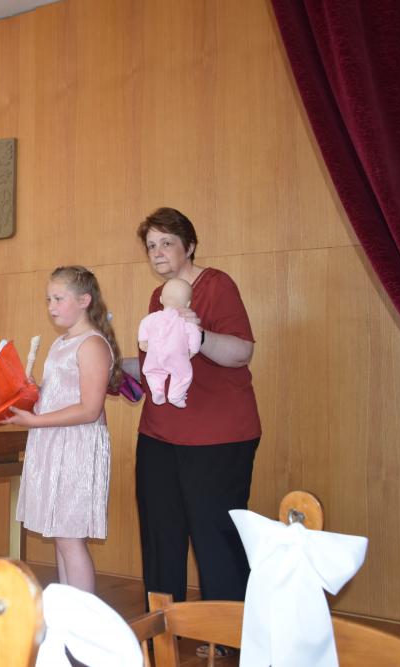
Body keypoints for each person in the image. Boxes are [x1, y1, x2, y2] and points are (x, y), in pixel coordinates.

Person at [122, 207, 261, 659]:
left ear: (190, 246)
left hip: (219, 436)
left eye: (167, 242)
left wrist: (197, 335)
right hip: (160, 434)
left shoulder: (216, 286)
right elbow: (155, 364)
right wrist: (109, 366)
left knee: (215, 536)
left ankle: (229, 637)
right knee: (160, 534)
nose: (158, 252)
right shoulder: (158, 297)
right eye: (151, 246)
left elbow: (241, 352)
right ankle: (165, 629)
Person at [2, 266, 123, 593]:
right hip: (55, 442)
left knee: (70, 537)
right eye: (48, 299)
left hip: (76, 446)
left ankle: (82, 616)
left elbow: (89, 409)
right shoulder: (60, 343)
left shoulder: (92, 344)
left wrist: (34, 421)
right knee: (60, 534)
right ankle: (69, 612)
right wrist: (33, 392)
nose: (51, 306)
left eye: (58, 298)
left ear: (84, 300)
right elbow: (61, 394)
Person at [137, 277, 201, 408]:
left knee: (152, 372)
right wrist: (194, 349)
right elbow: (195, 333)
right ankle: (175, 396)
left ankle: (157, 390)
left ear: (161, 299)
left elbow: (143, 324)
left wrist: (142, 340)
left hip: (155, 354)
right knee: (182, 375)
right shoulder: (185, 320)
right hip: (176, 355)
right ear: (188, 304)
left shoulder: (153, 317)